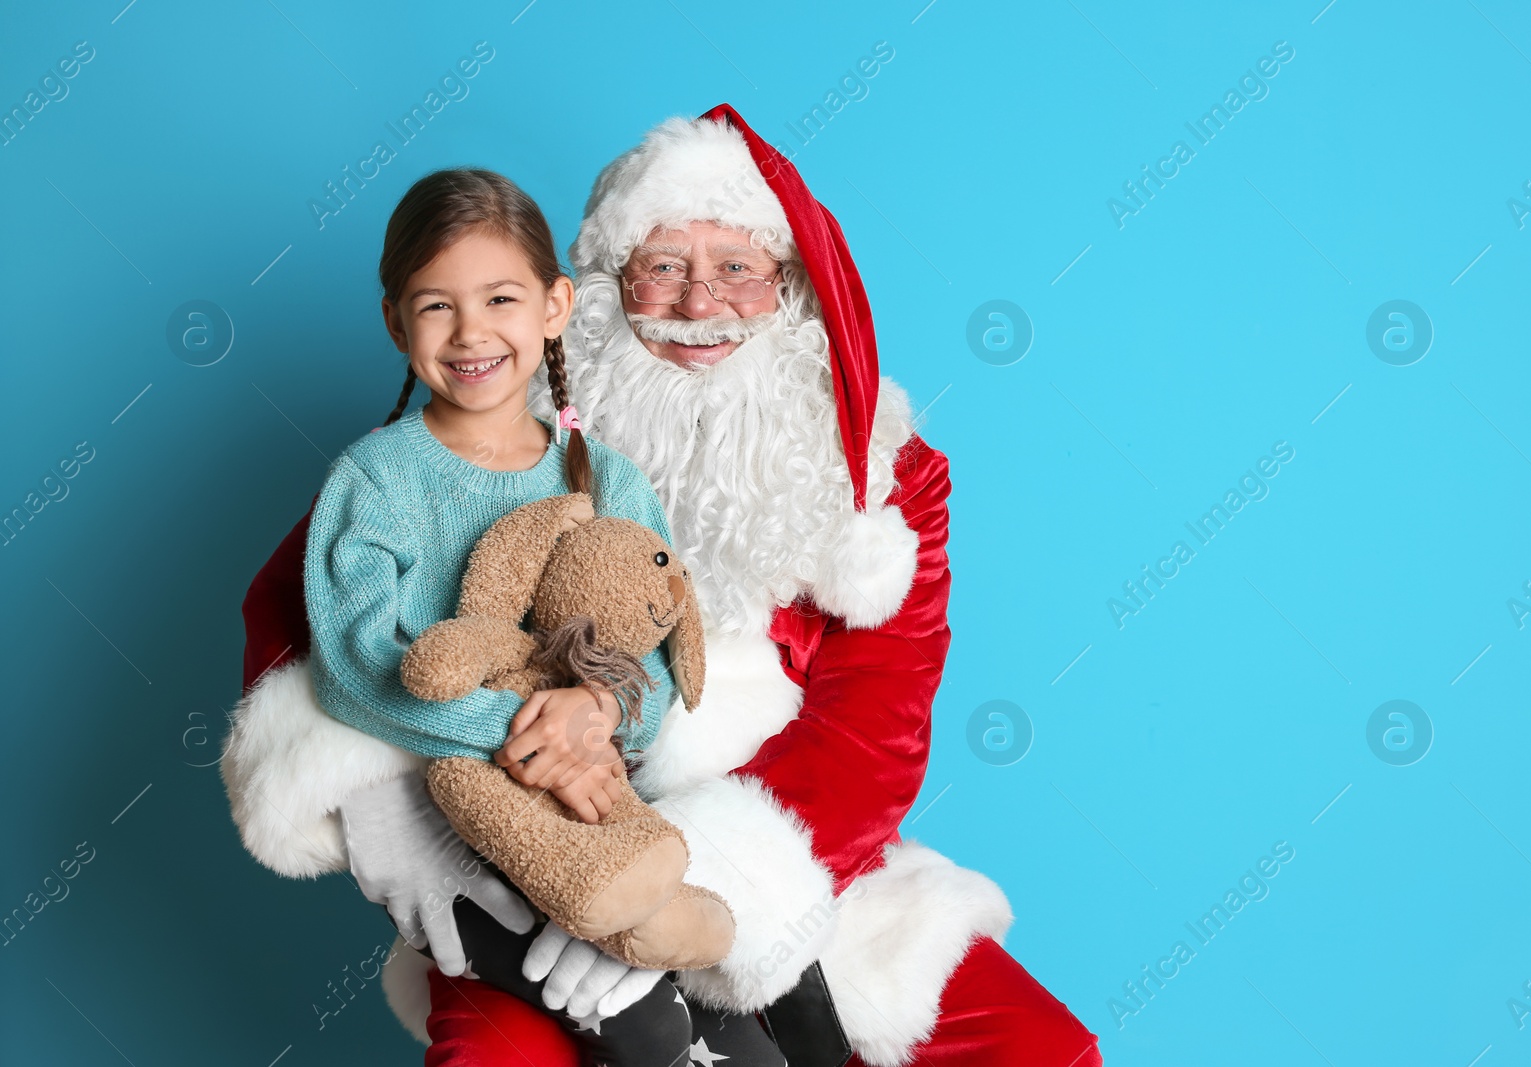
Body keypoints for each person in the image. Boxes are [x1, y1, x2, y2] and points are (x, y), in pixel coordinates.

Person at [224, 105, 1102, 1066]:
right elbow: (306, 612)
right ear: (597, 292)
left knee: (1035, 1051)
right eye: (664, 267)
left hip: (787, 858)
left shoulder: (885, 477)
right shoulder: (501, 439)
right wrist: (397, 825)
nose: (697, 305)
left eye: (736, 267)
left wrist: (703, 887)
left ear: (791, 290)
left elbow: (874, 730)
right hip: (523, 852)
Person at [235, 165, 787, 1065]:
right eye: (436, 305)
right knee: (645, 1029)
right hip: (440, 809)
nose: (471, 332)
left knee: (737, 1031)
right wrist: (528, 730)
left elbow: (652, 645)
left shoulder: (606, 478)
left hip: (591, 799)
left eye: (500, 297)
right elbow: (357, 665)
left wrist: (598, 711)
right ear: (395, 322)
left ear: (556, 305)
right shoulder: (376, 480)